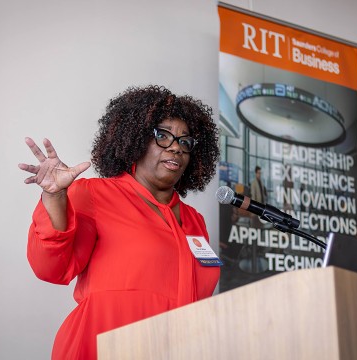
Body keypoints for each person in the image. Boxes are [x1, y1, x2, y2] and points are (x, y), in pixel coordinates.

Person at [18, 85, 221, 359]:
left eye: (185, 142)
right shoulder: (94, 194)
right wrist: (54, 196)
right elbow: (50, 268)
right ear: (135, 139)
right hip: (102, 346)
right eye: (163, 136)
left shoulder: (195, 221)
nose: (175, 147)